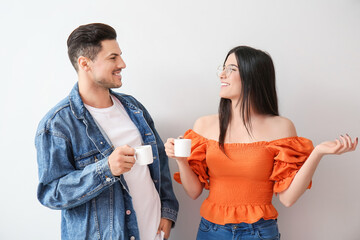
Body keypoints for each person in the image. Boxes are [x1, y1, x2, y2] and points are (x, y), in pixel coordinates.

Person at [164, 46, 358, 240]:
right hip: (211, 231)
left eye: (231, 69)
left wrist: (317, 153)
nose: (222, 74)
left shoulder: (281, 127)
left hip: (259, 233)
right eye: (222, 68)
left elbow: (288, 199)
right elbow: (194, 192)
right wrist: (181, 160)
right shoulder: (204, 125)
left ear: (252, 76)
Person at [35, 23, 178, 240]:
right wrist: (106, 170)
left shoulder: (134, 108)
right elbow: (51, 194)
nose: (122, 64)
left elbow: (159, 164)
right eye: (113, 58)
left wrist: (167, 212)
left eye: (120, 56)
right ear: (85, 63)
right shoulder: (57, 124)